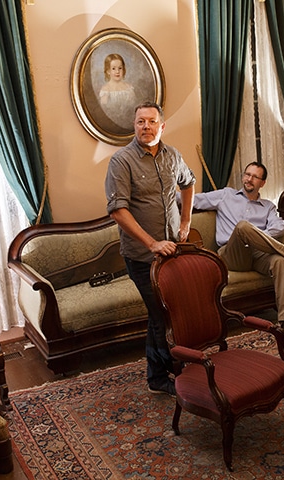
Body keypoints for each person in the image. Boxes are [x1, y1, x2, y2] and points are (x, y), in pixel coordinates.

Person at [190, 162, 284, 352]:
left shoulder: (268, 207)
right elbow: (192, 200)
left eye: (254, 177)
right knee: (242, 227)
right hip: (232, 255)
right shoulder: (225, 195)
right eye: (247, 174)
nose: (249, 179)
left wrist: (256, 237)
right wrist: (164, 199)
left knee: (280, 261)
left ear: (262, 183)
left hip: (257, 255)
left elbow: (279, 227)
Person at [105, 101, 195, 396]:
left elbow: (189, 183)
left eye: (151, 121)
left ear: (162, 126)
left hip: (173, 252)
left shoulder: (173, 156)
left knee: (167, 312)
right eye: (140, 122)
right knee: (160, 314)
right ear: (134, 126)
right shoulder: (121, 161)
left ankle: (166, 370)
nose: (146, 126)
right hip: (142, 256)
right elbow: (118, 211)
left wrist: (185, 221)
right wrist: (152, 243)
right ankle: (165, 375)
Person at [98, 53, 136, 127]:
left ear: (123, 69)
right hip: (111, 122)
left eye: (120, 68)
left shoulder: (128, 88)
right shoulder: (106, 89)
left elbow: (133, 105)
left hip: (128, 120)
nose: (117, 71)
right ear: (108, 71)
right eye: (113, 68)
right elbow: (104, 109)